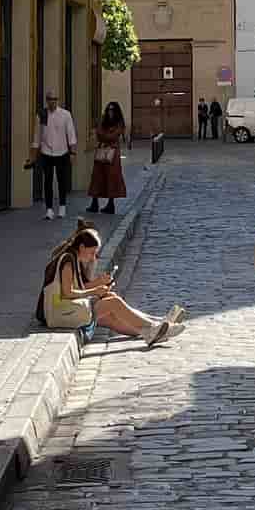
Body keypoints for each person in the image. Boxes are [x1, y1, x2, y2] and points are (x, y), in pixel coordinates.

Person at [35, 220, 174, 347]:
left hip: (66, 309)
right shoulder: (68, 261)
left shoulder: (73, 258)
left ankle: (153, 329)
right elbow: (68, 292)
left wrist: (98, 286)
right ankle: (153, 328)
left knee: (110, 312)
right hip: (58, 312)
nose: (93, 257)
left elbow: (78, 287)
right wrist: (95, 291)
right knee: (113, 302)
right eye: (92, 253)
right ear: (82, 247)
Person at [31, 91, 77, 219]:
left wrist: (73, 152)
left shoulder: (65, 115)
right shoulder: (42, 114)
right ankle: (49, 209)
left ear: (58, 100)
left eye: (55, 99)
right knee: (48, 181)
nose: (52, 101)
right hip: (46, 152)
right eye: (50, 99)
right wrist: (33, 156)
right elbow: (37, 136)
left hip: (62, 152)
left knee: (62, 180)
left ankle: (62, 206)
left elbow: (71, 135)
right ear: (47, 100)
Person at [87, 101, 128, 215]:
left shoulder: (119, 123)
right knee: (97, 177)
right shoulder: (103, 121)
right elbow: (99, 132)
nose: (110, 112)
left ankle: (111, 204)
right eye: (108, 109)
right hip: (101, 152)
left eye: (112, 110)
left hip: (112, 154)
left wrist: (104, 137)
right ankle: (94, 203)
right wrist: (104, 136)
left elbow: (112, 136)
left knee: (111, 178)